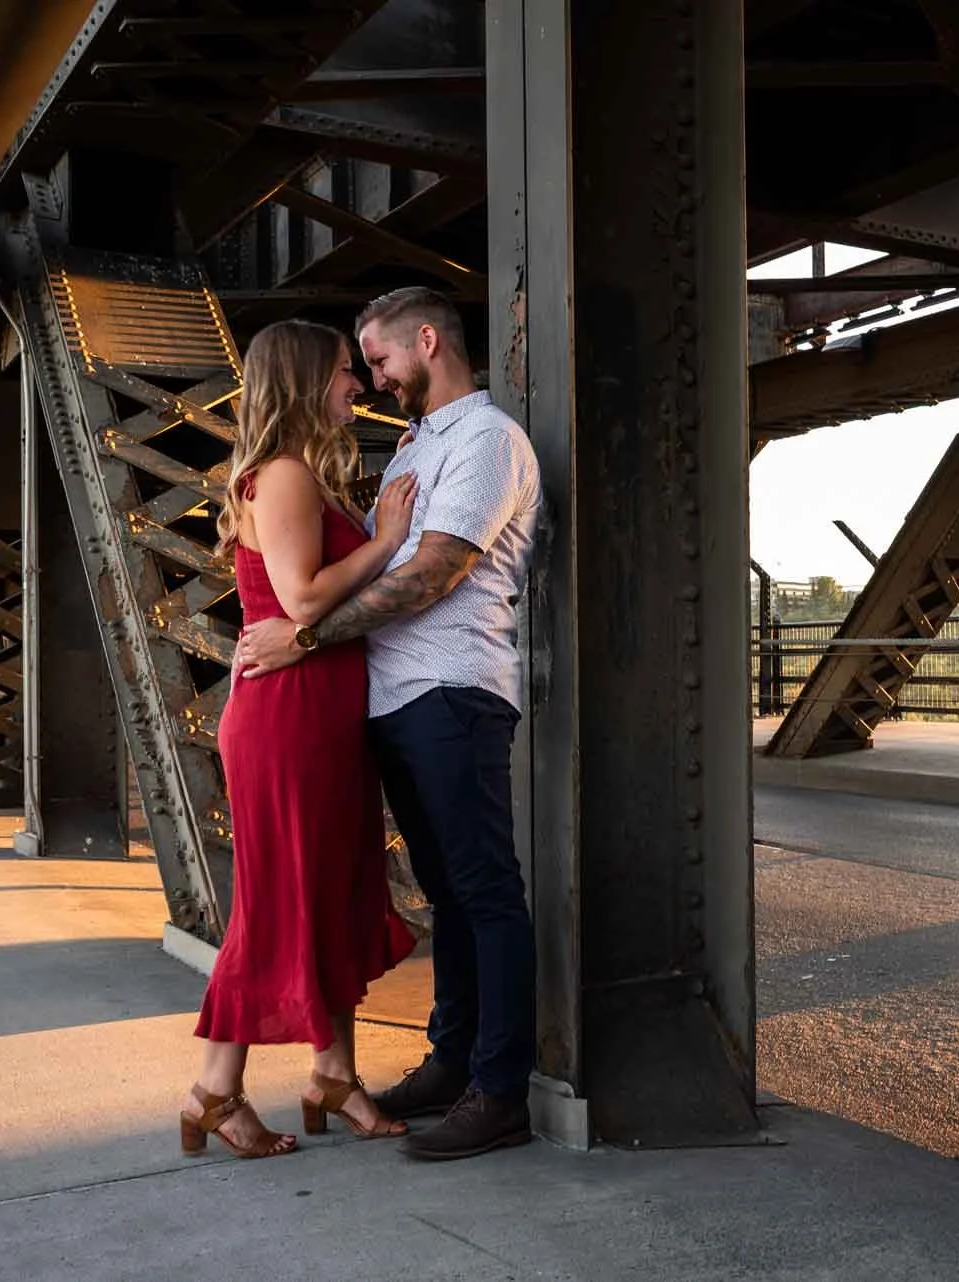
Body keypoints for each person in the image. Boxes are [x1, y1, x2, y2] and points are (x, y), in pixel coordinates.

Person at [233, 286, 543, 1162]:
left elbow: (434, 571)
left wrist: (306, 635)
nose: (373, 381)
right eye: (360, 368)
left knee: (486, 891)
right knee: (448, 894)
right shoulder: (419, 444)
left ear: (428, 341)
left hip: (452, 692)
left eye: (379, 360)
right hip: (396, 702)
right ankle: (452, 1062)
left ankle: (500, 1091)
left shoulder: (486, 441)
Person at [182, 319, 421, 1159]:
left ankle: (334, 1074)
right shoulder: (283, 474)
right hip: (288, 720)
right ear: (305, 379)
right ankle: (214, 1091)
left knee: (332, 892)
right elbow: (304, 599)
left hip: (320, 717)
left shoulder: (306, 473)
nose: (359, 383)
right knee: (281, 902)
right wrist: (387, 541)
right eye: (346, 370)